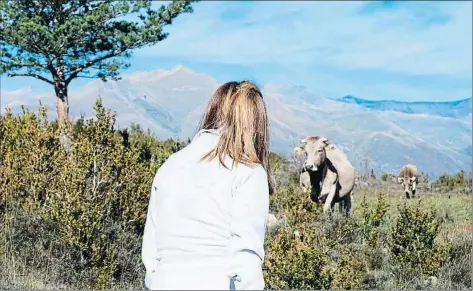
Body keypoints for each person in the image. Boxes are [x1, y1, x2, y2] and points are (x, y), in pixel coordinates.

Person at [141, 80, 275, 290]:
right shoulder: (248, 171)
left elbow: (151, 253)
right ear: (256, 124)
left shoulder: (170, 165)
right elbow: (247, 258)